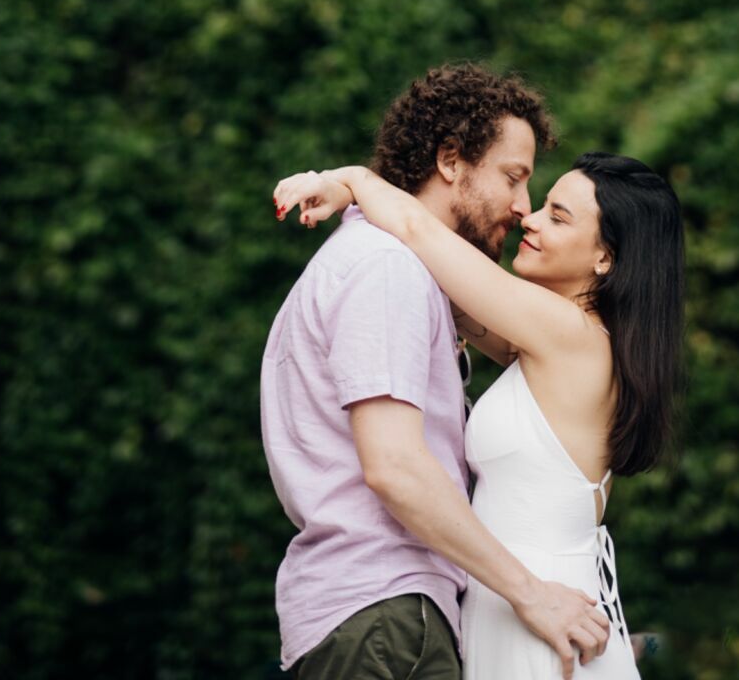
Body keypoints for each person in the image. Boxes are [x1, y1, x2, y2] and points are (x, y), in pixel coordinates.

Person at [274, 146, 685, 680]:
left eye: (557, 217)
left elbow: (420, 234)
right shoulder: (556, 342)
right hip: (523, 596)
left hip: (542, 603)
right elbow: (442, 284)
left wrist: (347, 178)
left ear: (605, 258)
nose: (528, 218)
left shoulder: (568, 336)